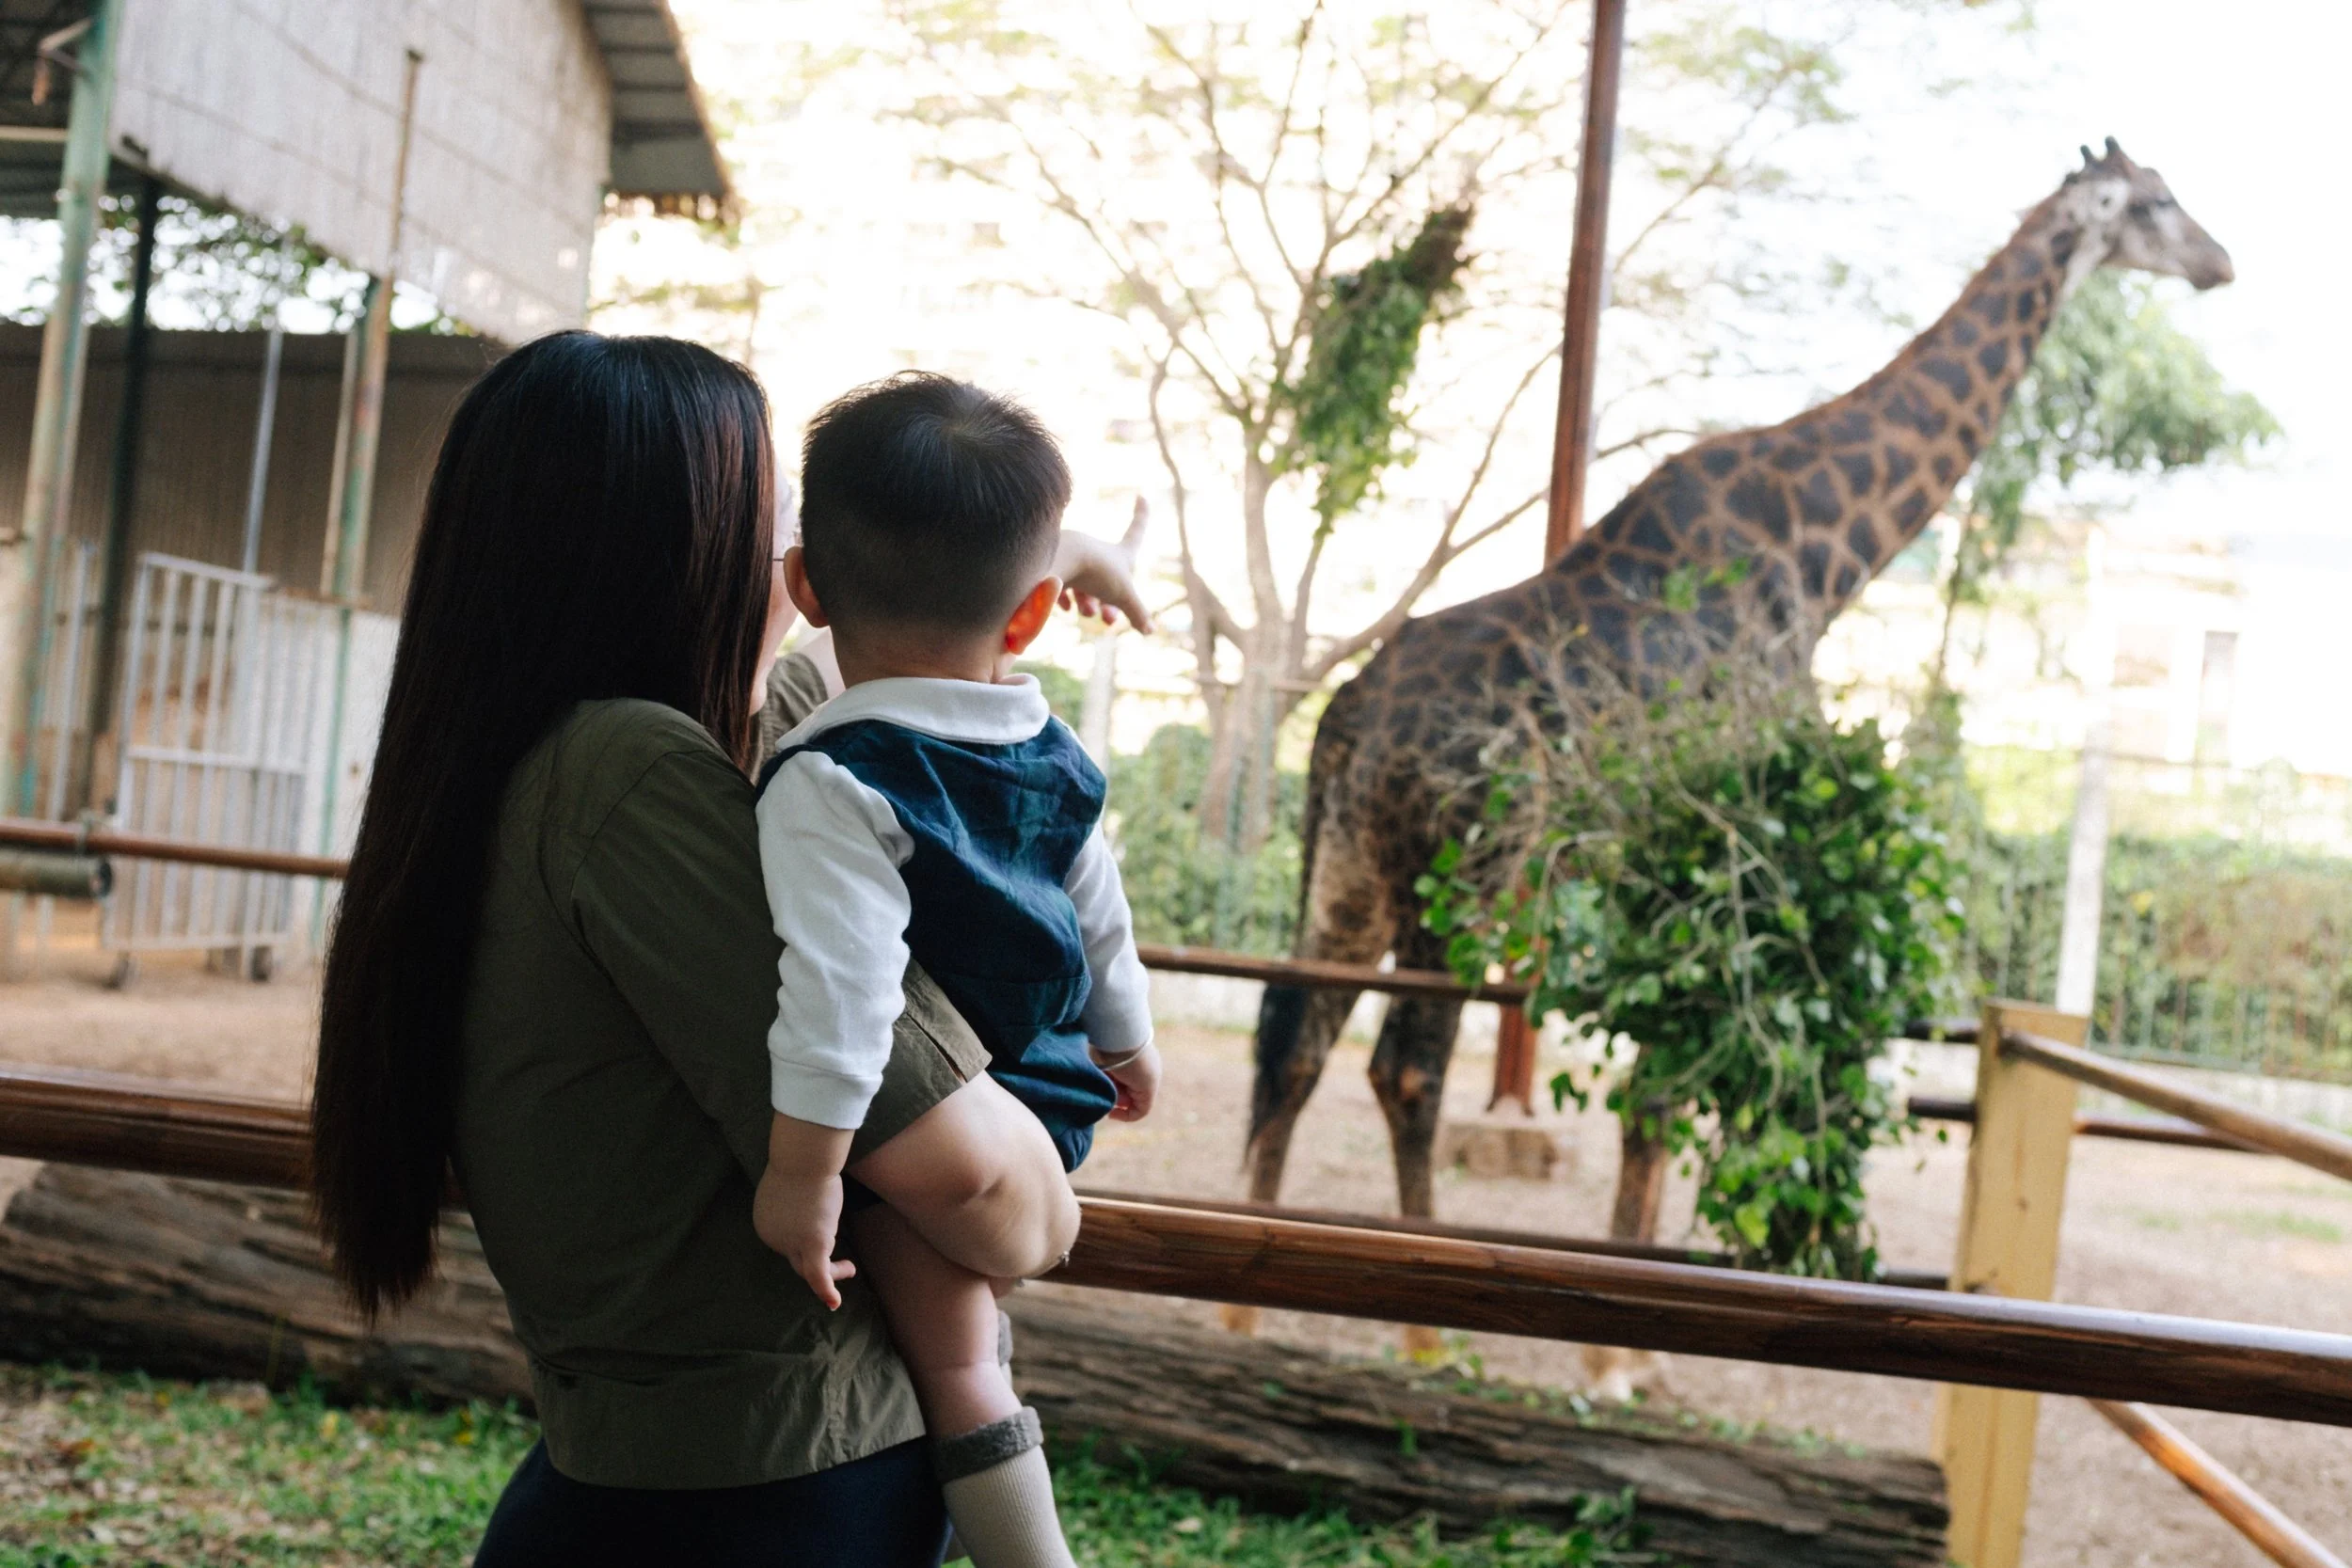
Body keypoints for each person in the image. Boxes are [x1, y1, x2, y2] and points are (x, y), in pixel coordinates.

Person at [308, 332, 1147, 1567]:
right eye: (774, 523)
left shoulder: (525, 768)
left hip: (661, 1488)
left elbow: (879, 632)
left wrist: (1049, 552)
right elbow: (998, 1202)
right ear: (682, 547)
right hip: (763, 1507)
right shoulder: (632, 776)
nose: (800, 565)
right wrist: (1049, 1140)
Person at [751, 374, 1162, 1568]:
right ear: (1032, 615)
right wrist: (1125, 1044)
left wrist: (800, 1176)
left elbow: (843, 1002)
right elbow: (1101, 915)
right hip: (1053, 1092)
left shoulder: (833, 779)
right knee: (981, 1343)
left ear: (805, 588)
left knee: (961, 1367)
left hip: (934, 1132)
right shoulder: (1054, 748)